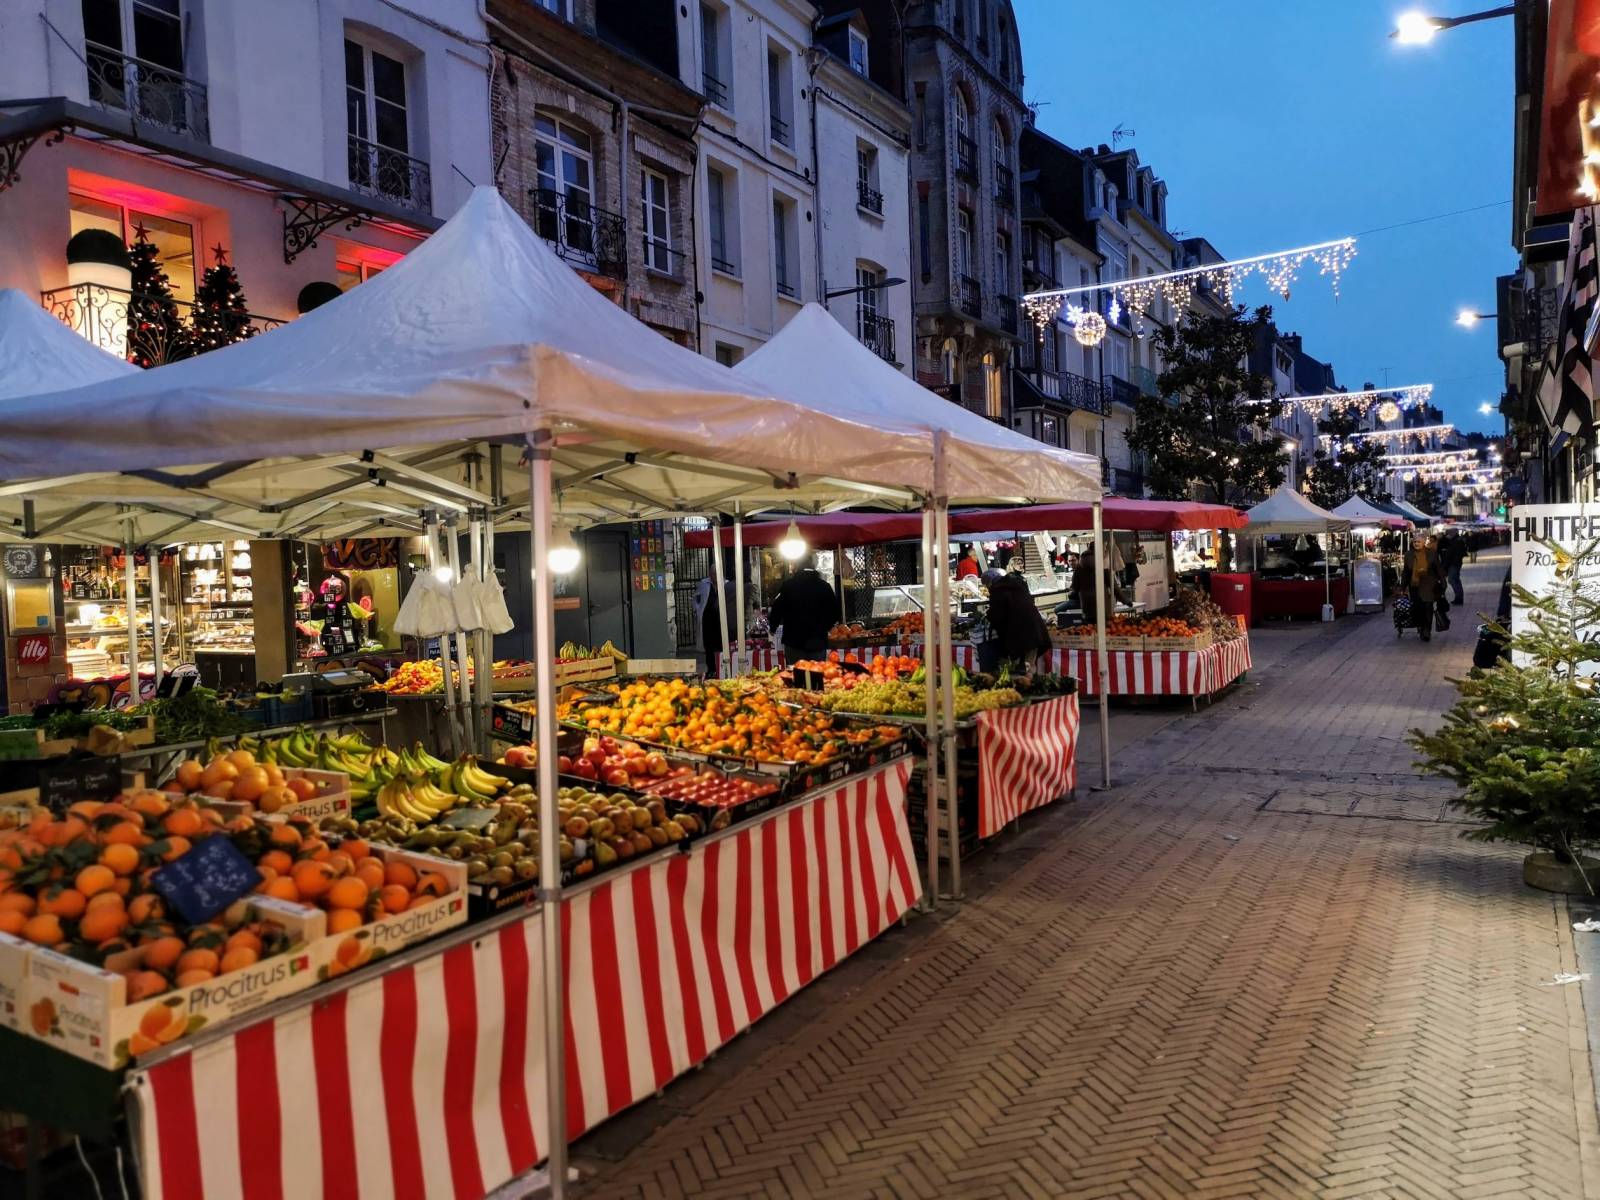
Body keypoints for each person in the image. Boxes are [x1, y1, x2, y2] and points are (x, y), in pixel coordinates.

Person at [767, 554, 838, 665]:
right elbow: (834, 612)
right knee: (817, 674)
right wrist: (825, 627)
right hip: (817, 641)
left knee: (796, 675)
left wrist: (772, 628)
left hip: (793, 641)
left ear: (797, 566)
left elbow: (777, 609)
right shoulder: (825, 587)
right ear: (814, 566)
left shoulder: (788, 586)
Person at [984, 563, 1052, 671]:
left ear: (989, 583)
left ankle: (1022, 685)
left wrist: (988, 616)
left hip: (1019, 636)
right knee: (1030, 665)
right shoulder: (1017, 584)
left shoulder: (997, 591)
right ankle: (1030, 684)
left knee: (1018, 669)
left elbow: (997, 616)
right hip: (1035, 630)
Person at [1406, 535, 1446, 642]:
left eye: (1418, 542)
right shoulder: (1409, 554)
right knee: (1418, 608)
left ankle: (1426, 631)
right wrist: (1402, 586)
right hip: (1415, 586)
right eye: (1414, 542)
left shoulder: (1431, 554)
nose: (1416, 543)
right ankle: (1421, 626)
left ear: (1424, 543)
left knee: (1428, 608)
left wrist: (1443, 582)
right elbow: (1406, 572)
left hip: (1429, 585)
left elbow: (1439, 568)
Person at [1438, 528, 1466, 606]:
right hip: (1455, 563)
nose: (1448, 536)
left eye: (1449, 534)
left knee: (1452, 580)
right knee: (1455, 580)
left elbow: (1451, 554)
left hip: (1454, 564)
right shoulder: (1456, 540)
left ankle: (1459, 598)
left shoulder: (1456, 541)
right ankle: (1459, 597)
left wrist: (1447, 564)